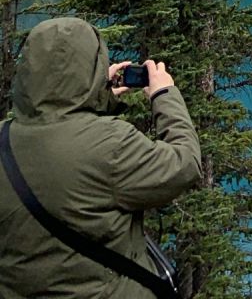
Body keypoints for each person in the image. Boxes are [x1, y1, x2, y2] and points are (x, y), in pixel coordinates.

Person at [0, 16, 201, 298]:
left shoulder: (4, 137)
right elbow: (185, 163)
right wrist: (164, 94)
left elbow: (62, 132)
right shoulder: (112, 144)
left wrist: (99, 98)